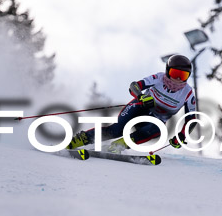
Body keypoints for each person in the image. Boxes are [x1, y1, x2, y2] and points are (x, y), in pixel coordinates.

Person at [68, 54, 197, 153]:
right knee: (116, 130)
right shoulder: (158, 78)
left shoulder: (188, 93)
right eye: (175, 73)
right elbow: (134, 86)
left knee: (159, 129)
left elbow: (191, 119)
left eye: (183, 76)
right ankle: (81, 139)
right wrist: (141, 97)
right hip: (139, 108)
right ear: (168, 71)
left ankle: (119, 145)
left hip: (154, 120)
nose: (178, 79)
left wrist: (182, 135)